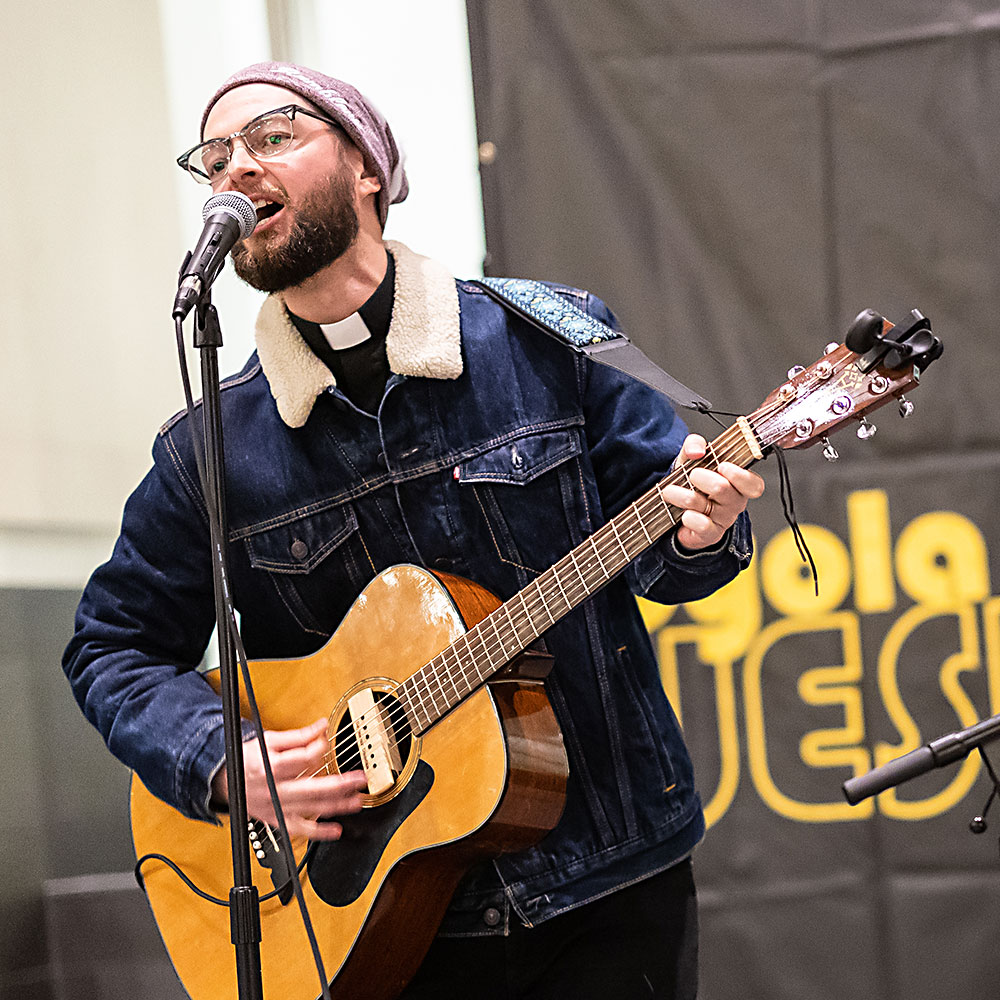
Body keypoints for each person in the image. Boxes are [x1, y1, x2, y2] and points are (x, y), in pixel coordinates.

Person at [63, 62, 764, 999]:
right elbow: (110, 647)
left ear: (366, 166)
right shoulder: (209, 451)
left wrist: (697, 532)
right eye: (216, 158)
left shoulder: (547, 339)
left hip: (607, 878)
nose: (236, 171)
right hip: (370, 927)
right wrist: (223, 759)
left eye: (272, 138)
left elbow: (674, 563)